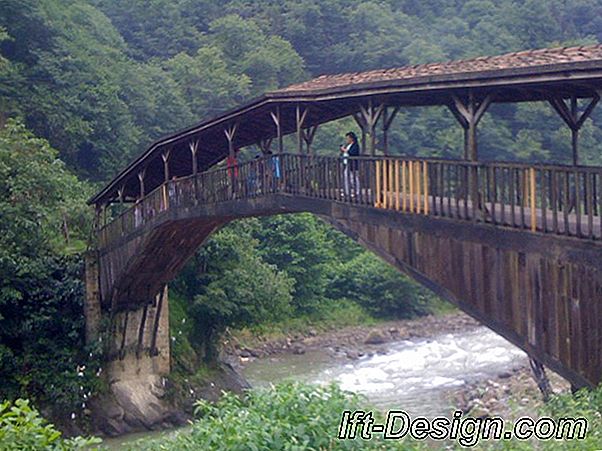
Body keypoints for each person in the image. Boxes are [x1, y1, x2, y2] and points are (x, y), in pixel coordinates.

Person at [340, 131, 360, 198]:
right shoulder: (348, 145)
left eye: (348, 138)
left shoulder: (355, 145)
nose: (347, 140)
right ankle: (346, 191)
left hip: (353, 164)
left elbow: (353, 153)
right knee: (346, 177)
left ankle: (357, 191)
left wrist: (345, 150)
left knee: (353, 178)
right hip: (347, 163)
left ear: (351, 138)